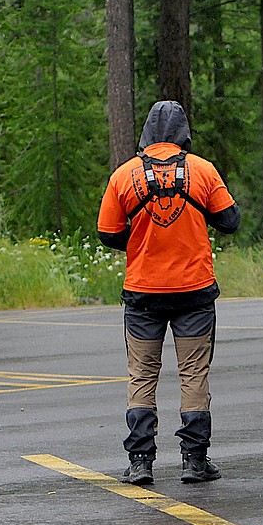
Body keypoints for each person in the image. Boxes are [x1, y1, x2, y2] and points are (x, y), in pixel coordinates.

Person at [97, 100, 241, 485]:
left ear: (146, 134)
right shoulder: (204, 171)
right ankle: (194, 461)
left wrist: (141, 241)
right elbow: (230, 221)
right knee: (194, 375)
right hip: (194, 292)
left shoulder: (123, 175)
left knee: (142, 376)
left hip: (143, 292)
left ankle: (141, 462)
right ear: (183, 133)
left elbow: (107, 232)